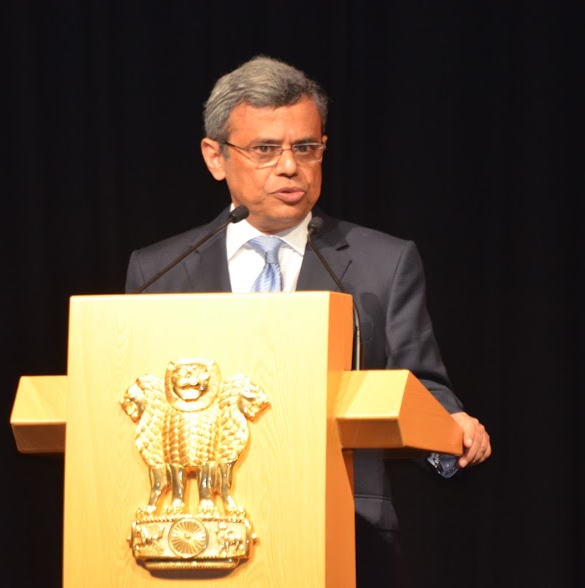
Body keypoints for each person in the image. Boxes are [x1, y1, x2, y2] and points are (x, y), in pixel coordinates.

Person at [124, 55, 492, 587]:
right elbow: (129, 405)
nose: (290, 167)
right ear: (215, 157)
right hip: (193, 537)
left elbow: (422, 389)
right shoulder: (160, 270)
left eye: (305, 148)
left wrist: (451, 434)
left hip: (344, 533)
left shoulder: (380, 264)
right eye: (265, 150)